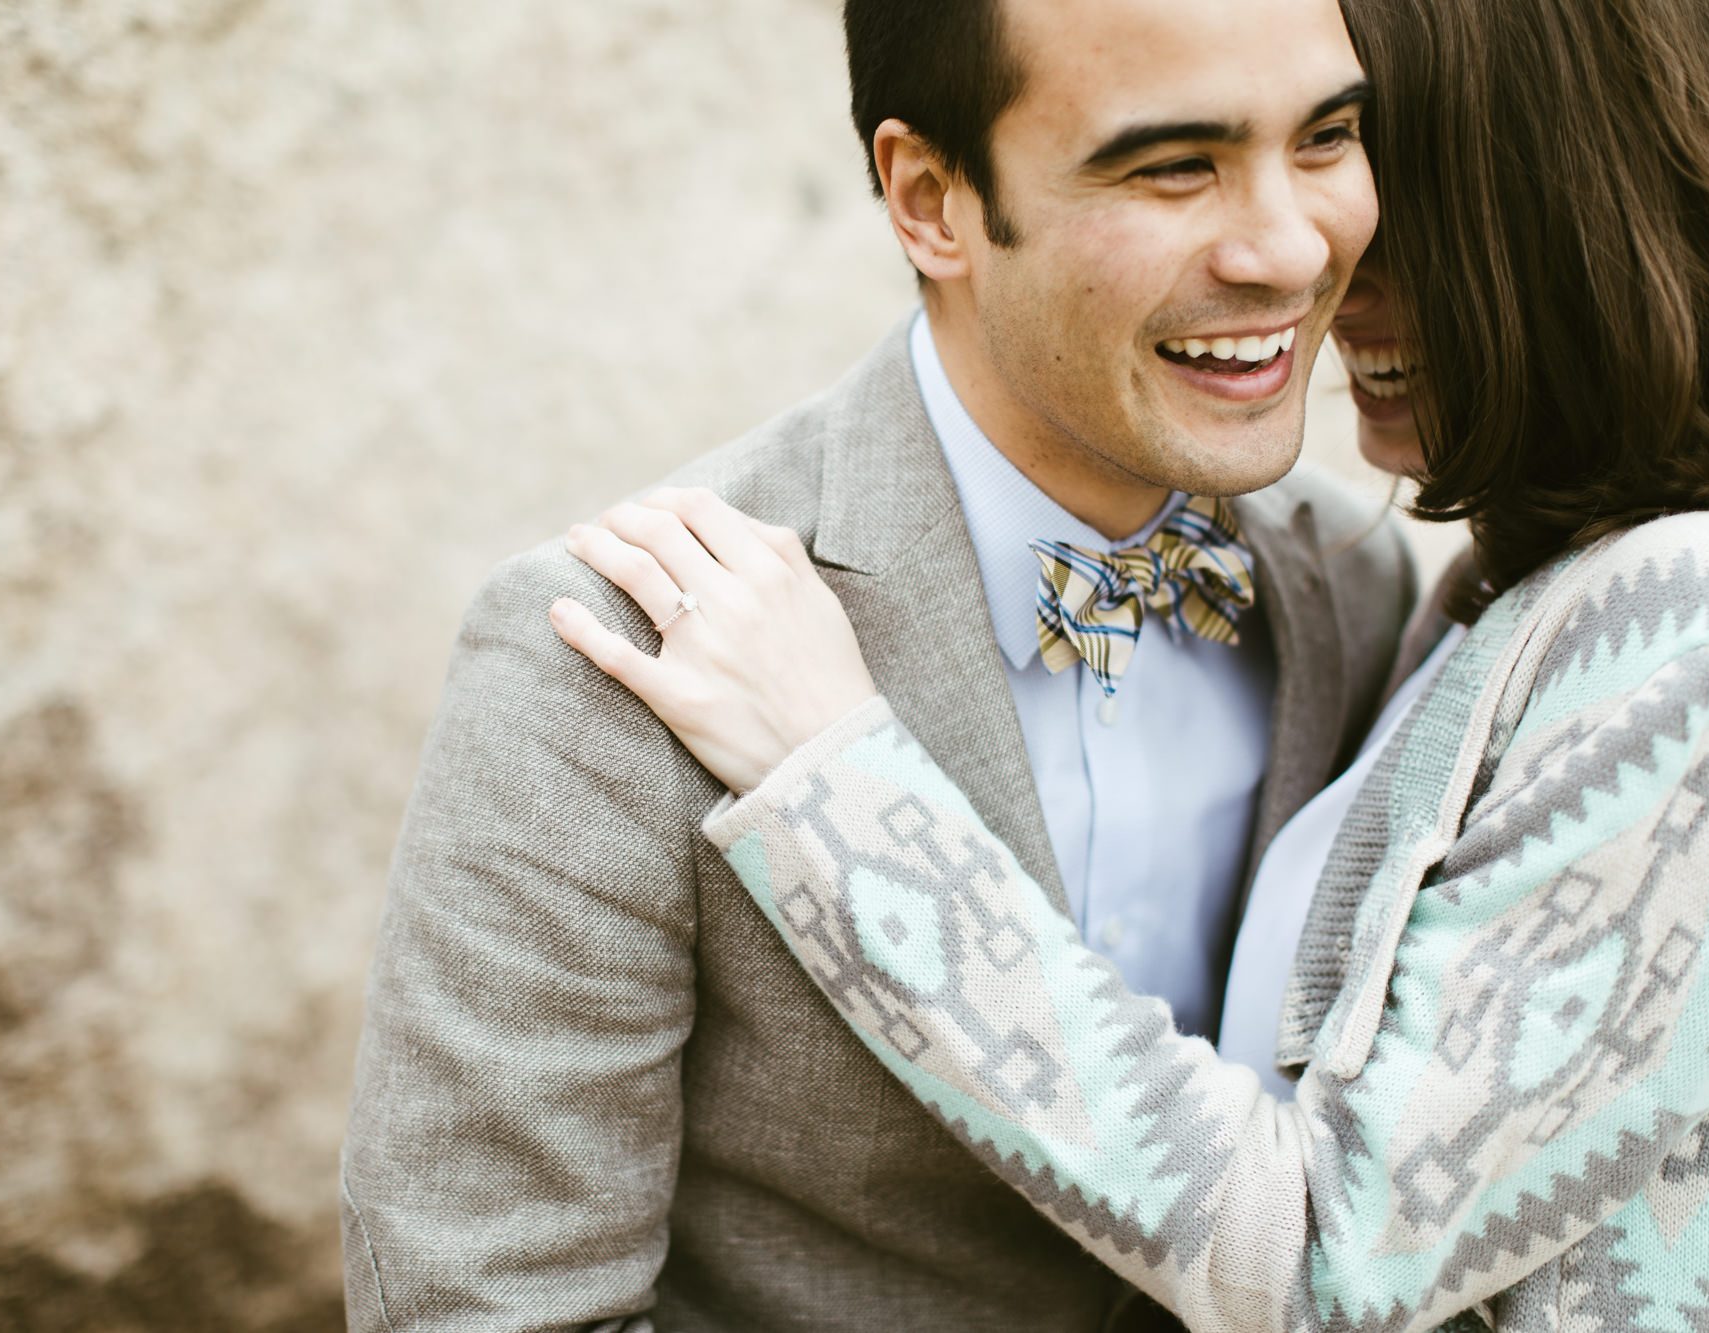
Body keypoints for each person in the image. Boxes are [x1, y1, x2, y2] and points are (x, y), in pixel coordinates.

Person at [550, 0, 1709, 1328]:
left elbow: (1339, 1260)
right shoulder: (1483, 595)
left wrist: (840, 785)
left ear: (1580, 221)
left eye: (1373, 171)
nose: (1321, 272)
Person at [340, 0, 1413, 1327]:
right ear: (931, 200)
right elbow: (486, 1304)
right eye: (1173, 165)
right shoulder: (605, 654)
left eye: (1328, 136)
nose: (1292, 246)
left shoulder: (1354, 595)